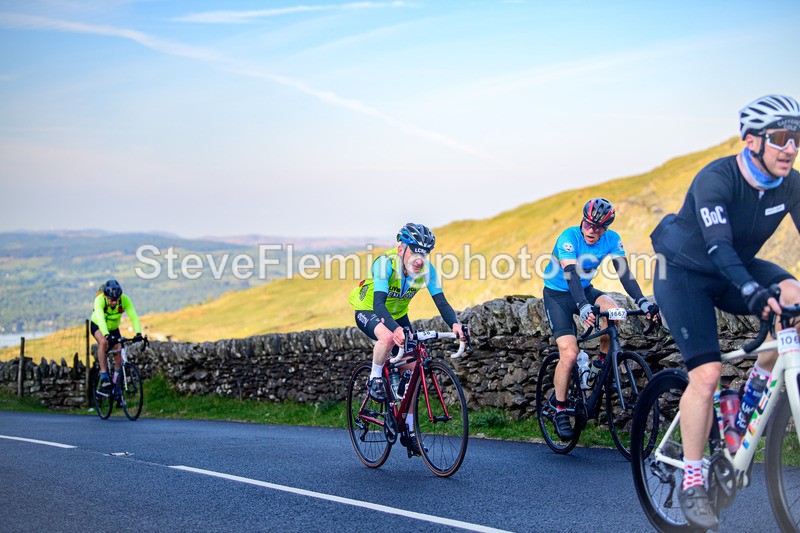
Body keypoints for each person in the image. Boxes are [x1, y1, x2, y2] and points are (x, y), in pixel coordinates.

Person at [650, 94, 800, 530]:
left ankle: (749, 400)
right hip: (685, 273)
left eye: (796, 138)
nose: (790, 147)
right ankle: (693, 480)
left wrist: (759, 287)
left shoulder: (790, 184)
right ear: (752, 141)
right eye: (780, 138)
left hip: (734, 264)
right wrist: (751, 289)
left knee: (793, 293)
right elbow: (717, 246)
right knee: (708, 374)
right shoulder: (717, 178)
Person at [542, 198, 659, 440]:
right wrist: (583, 306)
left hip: (585, 289)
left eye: (598, 227)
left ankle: (598, 366)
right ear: (582, 220)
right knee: (570, 352)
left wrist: (643, 302)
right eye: (588, 224)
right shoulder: (568, 237)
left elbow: (624, 273)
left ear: (605, 228)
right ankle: (561, 409)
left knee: (613, 310)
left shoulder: (612, 239)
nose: (591, 230)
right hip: (557, 294)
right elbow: (571, 275)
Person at [349, 222, 466, 455]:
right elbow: (379, 304)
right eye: (415, 250)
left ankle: (410, 430)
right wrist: (396, 330)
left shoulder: (427, 271)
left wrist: (455, 324)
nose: (420, 258)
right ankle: (374, 378)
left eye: (425, 252)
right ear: (402, 248)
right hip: (369, 310)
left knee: (412, 367)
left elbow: (441, 302)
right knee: (389, 338)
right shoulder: (385, 264)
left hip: (398, 314)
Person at [91, 279, 143, 391]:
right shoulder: (99, 300)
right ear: (105, 296)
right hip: (98, 326)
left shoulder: (125, 300)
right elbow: (100, 319)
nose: (114, 302)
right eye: (111, 300)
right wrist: (106, 335)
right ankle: (104, 375)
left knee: (119, 350)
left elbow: (133, 315)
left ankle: (115, 382)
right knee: (103, 343)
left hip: (113, 328)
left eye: (116, 300)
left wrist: (138, 333)